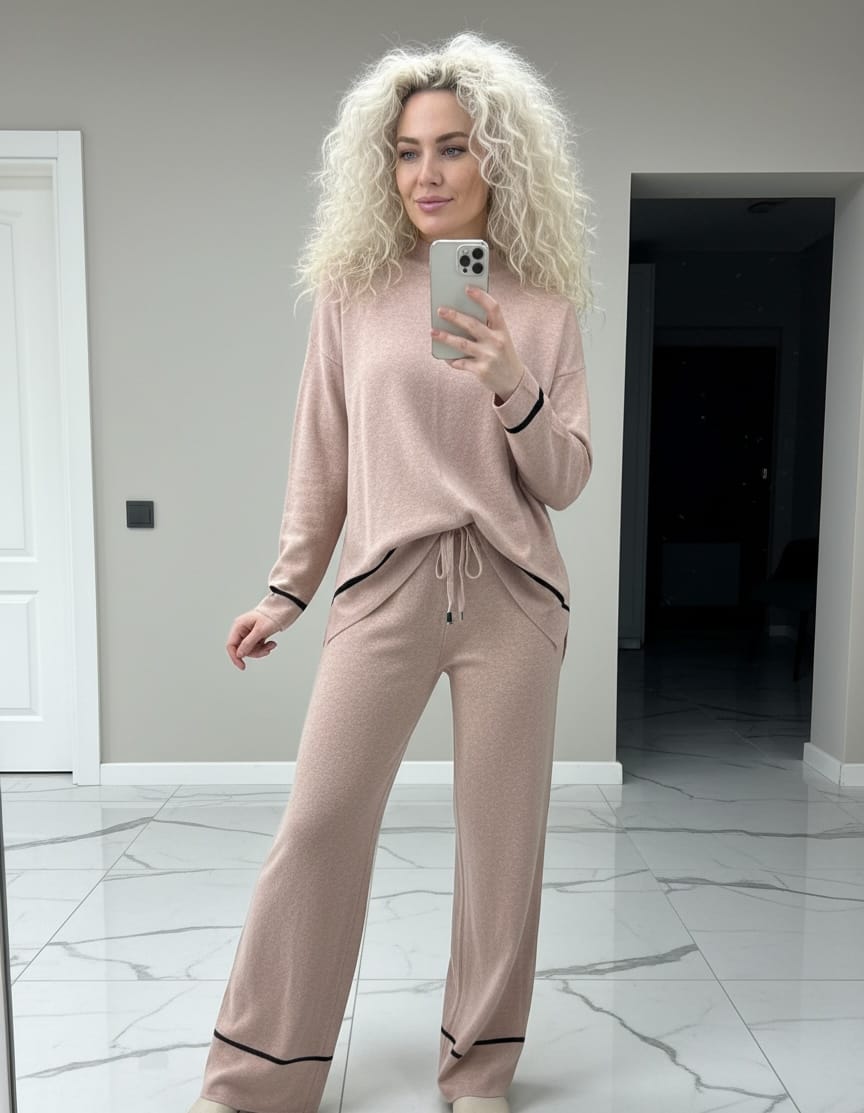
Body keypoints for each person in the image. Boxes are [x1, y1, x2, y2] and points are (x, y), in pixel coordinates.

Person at [189, 29, 596, 1113]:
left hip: (514, 597)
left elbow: (564, 478)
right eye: (408, 152)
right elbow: (320, 454)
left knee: (500, 849)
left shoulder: (543, 305)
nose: (427, 174)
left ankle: (480, 1072)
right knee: (318, 824)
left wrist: (510, 379)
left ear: (497, 157)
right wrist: (286, 589)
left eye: (453, 148)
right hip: (387, 587)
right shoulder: (353, 294)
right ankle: (257, 1079)